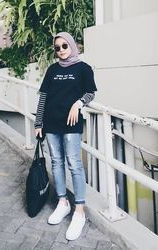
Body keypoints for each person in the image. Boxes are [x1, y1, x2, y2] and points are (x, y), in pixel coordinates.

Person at [34, 32, 97, 241]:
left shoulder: (83, 69)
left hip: (71, 124)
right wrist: (38, 123)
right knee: (56, 163)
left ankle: (79, 210)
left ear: (71, 45)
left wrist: (77, 104)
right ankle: (63, 202)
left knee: (74, 163)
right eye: (57, 48)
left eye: (64, 46)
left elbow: (90, 93)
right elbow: (43, 97)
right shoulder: (52, 70)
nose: (61, 50)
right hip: (51, 124)